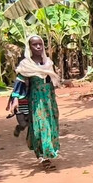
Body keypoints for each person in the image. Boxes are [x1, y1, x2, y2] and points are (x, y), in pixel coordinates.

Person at [7, 35, 60, 168]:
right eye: (34, 44)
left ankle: (47, 151)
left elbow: (52, 81)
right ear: (29, 47)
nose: (38, 47)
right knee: (41, 126)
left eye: (40, 44)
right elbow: (19, 83)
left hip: (49, 99)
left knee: (51, 125)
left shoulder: (48, 63)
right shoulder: (26, 65)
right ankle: (43, 157)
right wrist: (15, 100)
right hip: (36, 100)